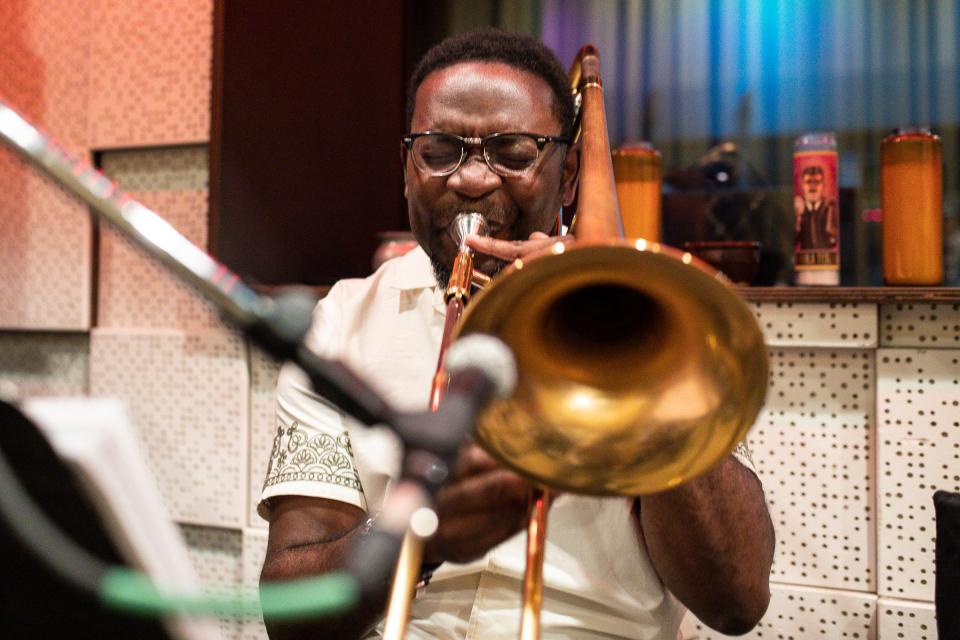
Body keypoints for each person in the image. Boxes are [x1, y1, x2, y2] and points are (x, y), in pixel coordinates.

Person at [258, 28, 774, 640]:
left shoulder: (652, 318)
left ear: (570, 171)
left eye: (513, 152)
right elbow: (292, 616)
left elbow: (737, 601)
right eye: (439, 149)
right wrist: (415, 528)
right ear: (405, 168)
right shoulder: (341, 320)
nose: (472, 179)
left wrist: (609, 333)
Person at [794, 165, 838, 250]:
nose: (812, 186)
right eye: (808, 182)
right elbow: (795, 240)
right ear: (803, 185)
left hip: (827, 260)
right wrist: (797, 217)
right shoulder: (797, 207)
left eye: (817, 182)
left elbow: (834, 239)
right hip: (804, 260)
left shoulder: (830, 206)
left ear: (823, 185)